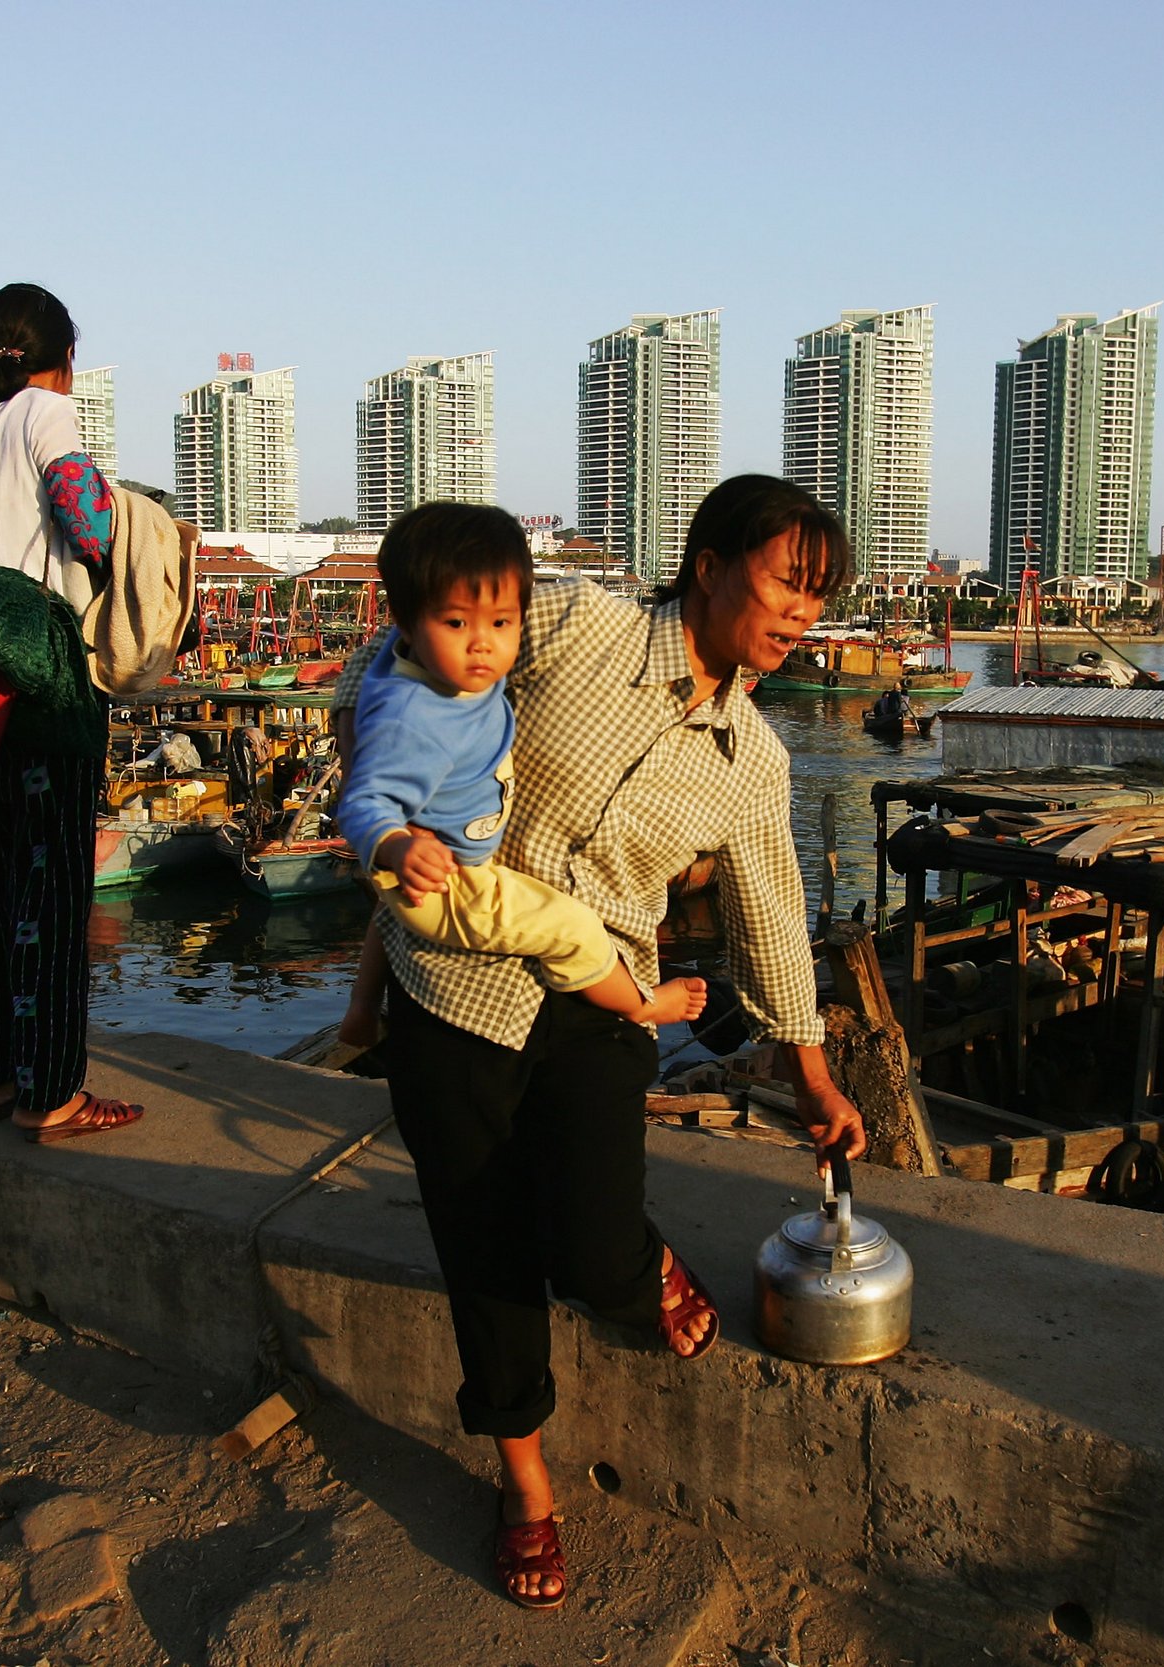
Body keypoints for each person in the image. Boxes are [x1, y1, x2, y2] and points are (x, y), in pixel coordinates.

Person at [331, 475, 868, 1612]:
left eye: (816, 601)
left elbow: (771, 909)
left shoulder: (752, 759)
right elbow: (406, 652)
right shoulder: (577, 623)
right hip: (455, 980)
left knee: (592, 1249)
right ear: (711, 562)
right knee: (480, 1244)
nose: (798, 618)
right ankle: (523, 1481)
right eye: (785, 583)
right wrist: (395, 813)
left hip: (600, 990)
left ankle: (638, 1271)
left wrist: (810, 1065)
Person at [334, 504, 710, 1047]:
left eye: (502, 623)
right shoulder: (412, 717)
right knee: (576, 929)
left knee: (389, 910)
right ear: (407, 620)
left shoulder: (433, 661)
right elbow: (364, 801)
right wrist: (395, 845)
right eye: (457, 622)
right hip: (458, 881)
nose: (482, 642)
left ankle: (362, 1009)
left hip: (436, 862)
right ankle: (645, 1003)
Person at [0, 283, 135, 1144]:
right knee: (54, 890)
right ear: (63, 361)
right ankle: (51, 1090)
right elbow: (89, 524)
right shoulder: (45, 415)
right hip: (49, 677)